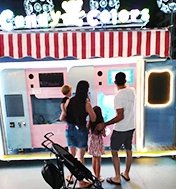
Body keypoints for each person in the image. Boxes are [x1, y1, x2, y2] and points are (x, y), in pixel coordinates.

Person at [97, 72, 135, 185]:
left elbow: (120, 116)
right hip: (131, 127)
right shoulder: (132, 91)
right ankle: (126, 173)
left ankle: (117, 177)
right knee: (129, 151)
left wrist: (105, 124)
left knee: (114, 151)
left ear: (114, 82)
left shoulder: (118, 96)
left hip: (120, 129)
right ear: (125, 80)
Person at [60, 80, 96, 188]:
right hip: (81, 130)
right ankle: (81, 182)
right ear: (86, 90)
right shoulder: (86, 104)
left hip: (69, 129)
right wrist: (89, 105)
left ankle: (71, 176)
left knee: (71, 156)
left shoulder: (69, 101)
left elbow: (62, 118)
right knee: (80, 157)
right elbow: (93, 118)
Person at [87, 106, 106, 183]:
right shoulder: (101, 123)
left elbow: (87, 130)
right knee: (98, 159)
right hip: (98, 141)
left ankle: (94, 175)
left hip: (91, 141)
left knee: (94, 158)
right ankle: (98, 176)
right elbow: (104, 134)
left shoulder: (90, 122)